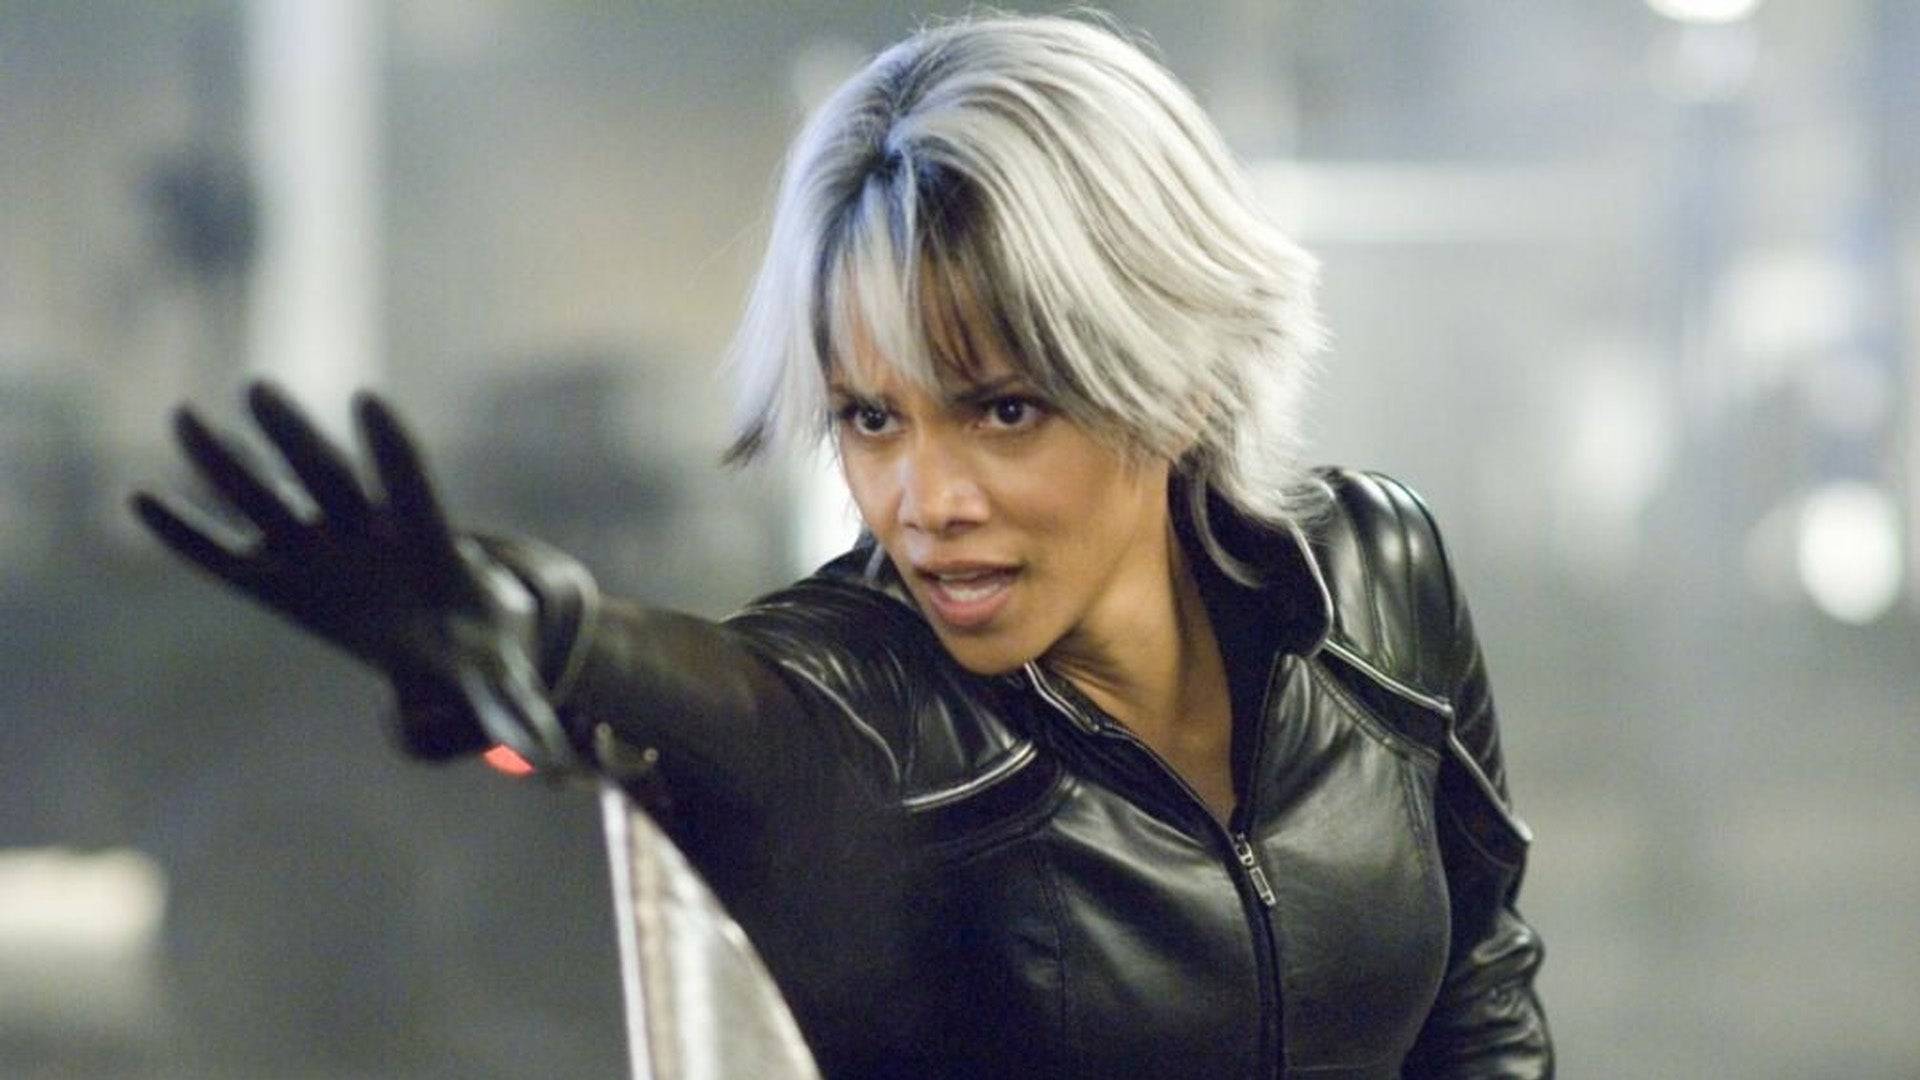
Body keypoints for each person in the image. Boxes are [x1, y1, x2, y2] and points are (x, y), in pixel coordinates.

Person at [135, 12, 1551, 1080]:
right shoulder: (864, 696)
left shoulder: (1375, 572)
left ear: (1174, 382)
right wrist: (550, 640)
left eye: (1002, 409)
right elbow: (731, 700)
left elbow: (1480, 981)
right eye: (873, 417)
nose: (923, 500)